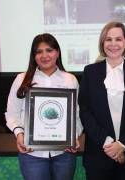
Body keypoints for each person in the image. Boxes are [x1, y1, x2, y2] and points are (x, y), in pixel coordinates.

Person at [5, 33, 83, 180]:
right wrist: (20, 134)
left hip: (64, 154)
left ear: (57, 52)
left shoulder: (70, 80)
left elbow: (77, 115)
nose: (44, 55)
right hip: (32, 154)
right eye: (39, 52)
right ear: (33, 56)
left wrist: (73, 136)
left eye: (49, 50)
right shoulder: (21, 79)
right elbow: (12, 113)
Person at [78, 22, 125, 180]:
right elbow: (85, 111)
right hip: (98, 153)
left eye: (118, 39)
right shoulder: (90, 72)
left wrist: (122, 144)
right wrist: (109, 144)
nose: (113, 44)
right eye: (108, 39)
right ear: (102, 43)